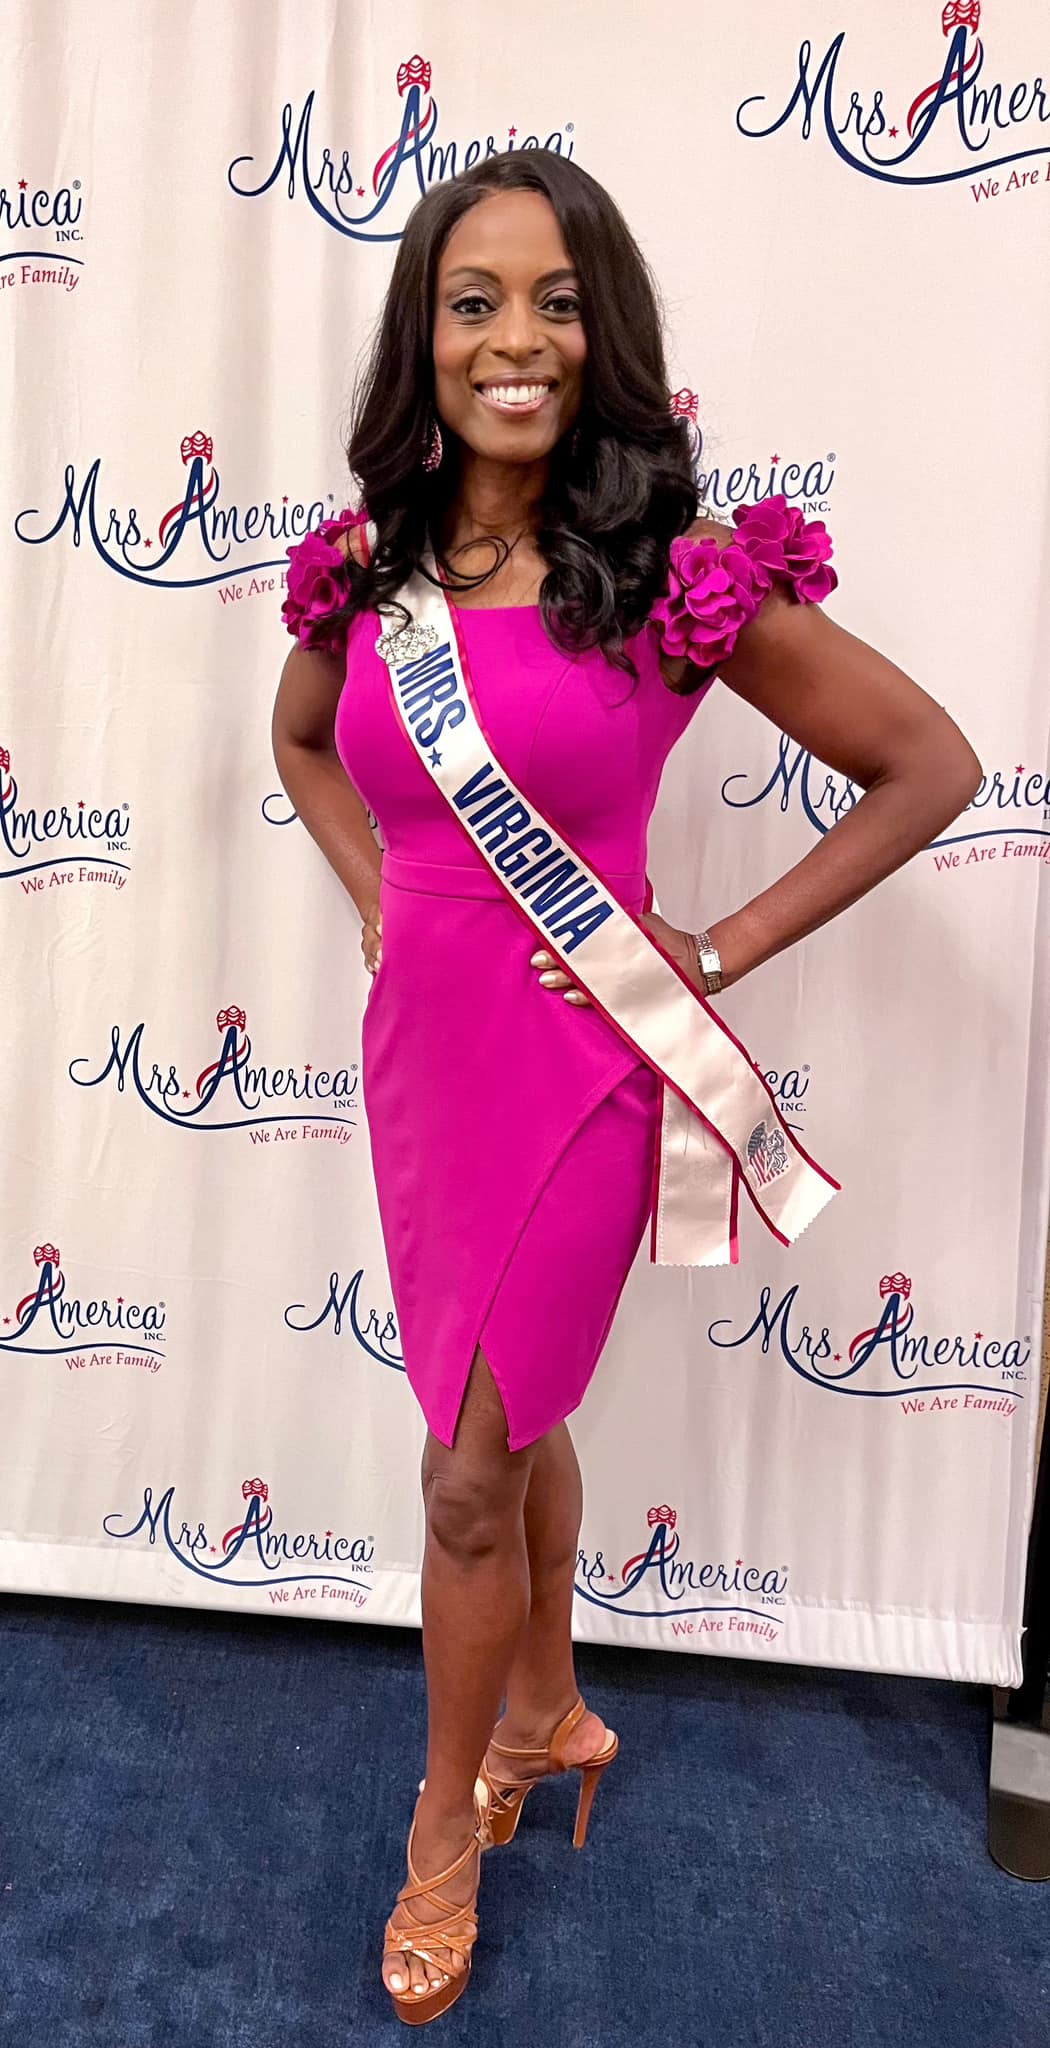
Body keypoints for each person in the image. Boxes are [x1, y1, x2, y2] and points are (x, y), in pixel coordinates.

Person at [271, 149, 981, 2025]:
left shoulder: (666, 573)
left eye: (556, 301)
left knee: (460, 1472)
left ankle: (444, 1830)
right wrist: (375, 901)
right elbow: (302, 748)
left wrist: (715, 948)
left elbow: (928, 765)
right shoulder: (371, 568)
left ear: (606, 335)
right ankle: (548, 1705)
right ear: (422, 330)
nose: (515, 339)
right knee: (499, 1412)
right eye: (474, 299)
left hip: (583, 1068)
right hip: (423, 1063)